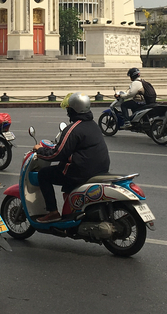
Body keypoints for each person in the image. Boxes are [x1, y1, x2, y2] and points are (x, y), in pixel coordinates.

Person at [32, 92, 110, 223]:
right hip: (100, 170)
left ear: (73, 110)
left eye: (68, 109)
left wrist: (40, 150)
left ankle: (52, 212)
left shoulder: (73, 129)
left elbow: (58, 153)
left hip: (81, 172)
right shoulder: (93, 125)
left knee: (44, 174)